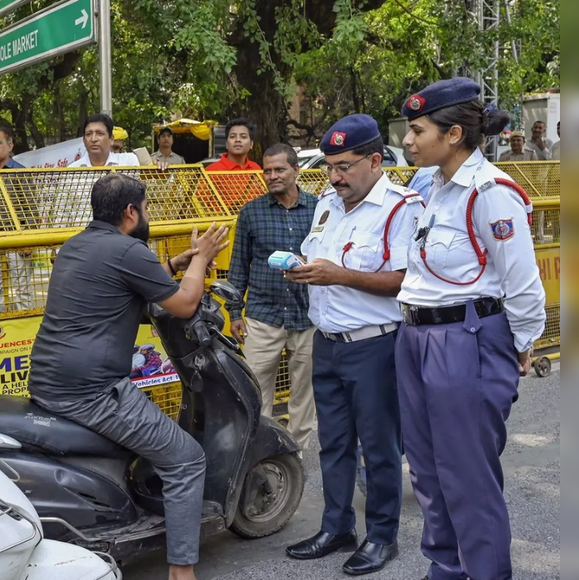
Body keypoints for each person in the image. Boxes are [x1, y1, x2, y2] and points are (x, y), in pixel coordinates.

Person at [29, 173, 230, 580]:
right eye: (147, 207)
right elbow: (187, 304)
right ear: (130, 212)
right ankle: (181, 571)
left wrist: (176, 263)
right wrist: (203, 258)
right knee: (187, 459)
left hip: (49, 382)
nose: (148, 214)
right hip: (93, 392)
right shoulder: (127, 249)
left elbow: (126, 286)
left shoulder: (76, 245)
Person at [397, 77, 546, 580]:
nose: (408, 140)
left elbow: (523, 282)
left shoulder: (491, 193)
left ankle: (484, 573)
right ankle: (446, 568)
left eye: (417, 131)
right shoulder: (433, 188)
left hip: (465, 339)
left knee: (468, 477)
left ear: (454, 133)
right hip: (415, 338)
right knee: (427, 471)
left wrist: (520, 344)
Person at [284, 116, 423, 574]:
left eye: (344, 166)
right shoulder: (327, 203)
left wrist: (336, 275)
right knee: (335, 443)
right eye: (329, 166)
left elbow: (406, 281)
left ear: (375, 160)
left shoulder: (402, 207)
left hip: (374, 347)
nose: (335, 176)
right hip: (326, 341)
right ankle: (337, 526)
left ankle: (382, 537)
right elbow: (320, 258)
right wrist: (303, 268)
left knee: (380, 447)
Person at [224, 144, 317, 449]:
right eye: (267, 170)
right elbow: (238, 266)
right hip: (263, 317)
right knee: (254, 393)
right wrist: (235, 313)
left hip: (307, 316)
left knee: (304, 396)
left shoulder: (319, 210)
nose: (272, 176)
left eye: (280, 169)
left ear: (296, 171)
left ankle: (296, 460)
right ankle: (260, 457)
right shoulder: (251, 212)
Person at [0, 126, 35, 312]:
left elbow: (31, 208)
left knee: (22, 287)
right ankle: (0, 326)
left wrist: (28, 240)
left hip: (17, 237)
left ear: (10, 145)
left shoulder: (19, 171)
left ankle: (24, 325)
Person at [67, 115, 141, 168]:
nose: (93, 139)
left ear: (111, 139)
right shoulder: (71, 170)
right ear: (84, 141)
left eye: (100, 134)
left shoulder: (128, 162)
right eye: (88, 134)